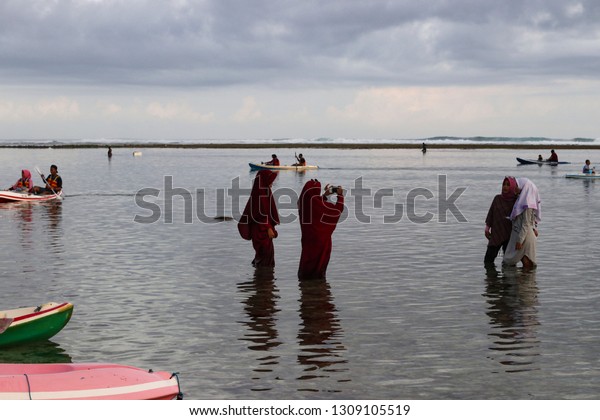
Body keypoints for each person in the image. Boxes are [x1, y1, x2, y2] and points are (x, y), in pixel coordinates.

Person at [297, 179, 345, 279]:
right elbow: (336, 210)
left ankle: (306, 288)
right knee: (318, 272)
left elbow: (316, 205)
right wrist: (340, 196)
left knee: (307, 266)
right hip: (320, 243)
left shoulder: (303, 202)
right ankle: (317, 289)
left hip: (307, 242)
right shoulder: (316, 204)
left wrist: (325, 196)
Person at [238, 170, 280, 267]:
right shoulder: (260, 195)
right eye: (270, 180)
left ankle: (259, 279)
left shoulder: (264, 192)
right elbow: (260, 214)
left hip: (262, 230)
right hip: (261, 231)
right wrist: (269, 228)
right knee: (266, 259)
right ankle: (263, 280)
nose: (272, 183)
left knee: (263, 258)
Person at [503, 178, 540, 270]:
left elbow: (526, 223)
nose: (515, 187)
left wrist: (520, 240)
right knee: (526, 266)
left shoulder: (527, 204)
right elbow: (531, 220)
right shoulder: (522, 201)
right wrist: (534, 228)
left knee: (526, 265)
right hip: (524, 235)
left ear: (524, 188)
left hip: (524, 238)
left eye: (517, 186)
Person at [484, 177, 518, 265]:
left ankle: (507, 278)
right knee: (488, 261)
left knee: (509, 262)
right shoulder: (497, 199)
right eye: (504, 184)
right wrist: (487, 228)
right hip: (496, 234)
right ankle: (491, 277)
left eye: (508, 185)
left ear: (513, 187)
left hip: (510, 235)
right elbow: (491, 213)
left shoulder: (516, 201)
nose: (505, 187)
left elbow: (522, 217)